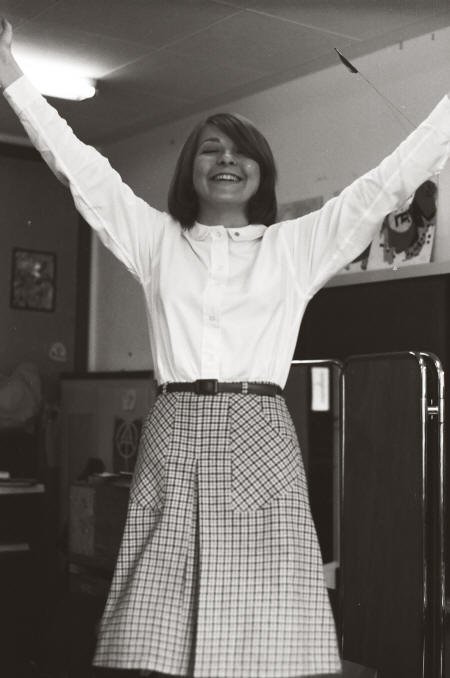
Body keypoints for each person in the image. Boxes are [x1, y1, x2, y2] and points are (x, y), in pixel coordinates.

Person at [1, 16, 450, 678]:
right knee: (164, 629)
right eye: (210, 150)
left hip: (259, 435)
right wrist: (10, 73)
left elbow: (390, 181)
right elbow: (80, 168)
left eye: (241, 152)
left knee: (261, 633)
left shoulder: (295, 246)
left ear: (262, 171)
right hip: (174, 429)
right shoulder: (156, 241)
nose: (226, 161)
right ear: (190, 170)